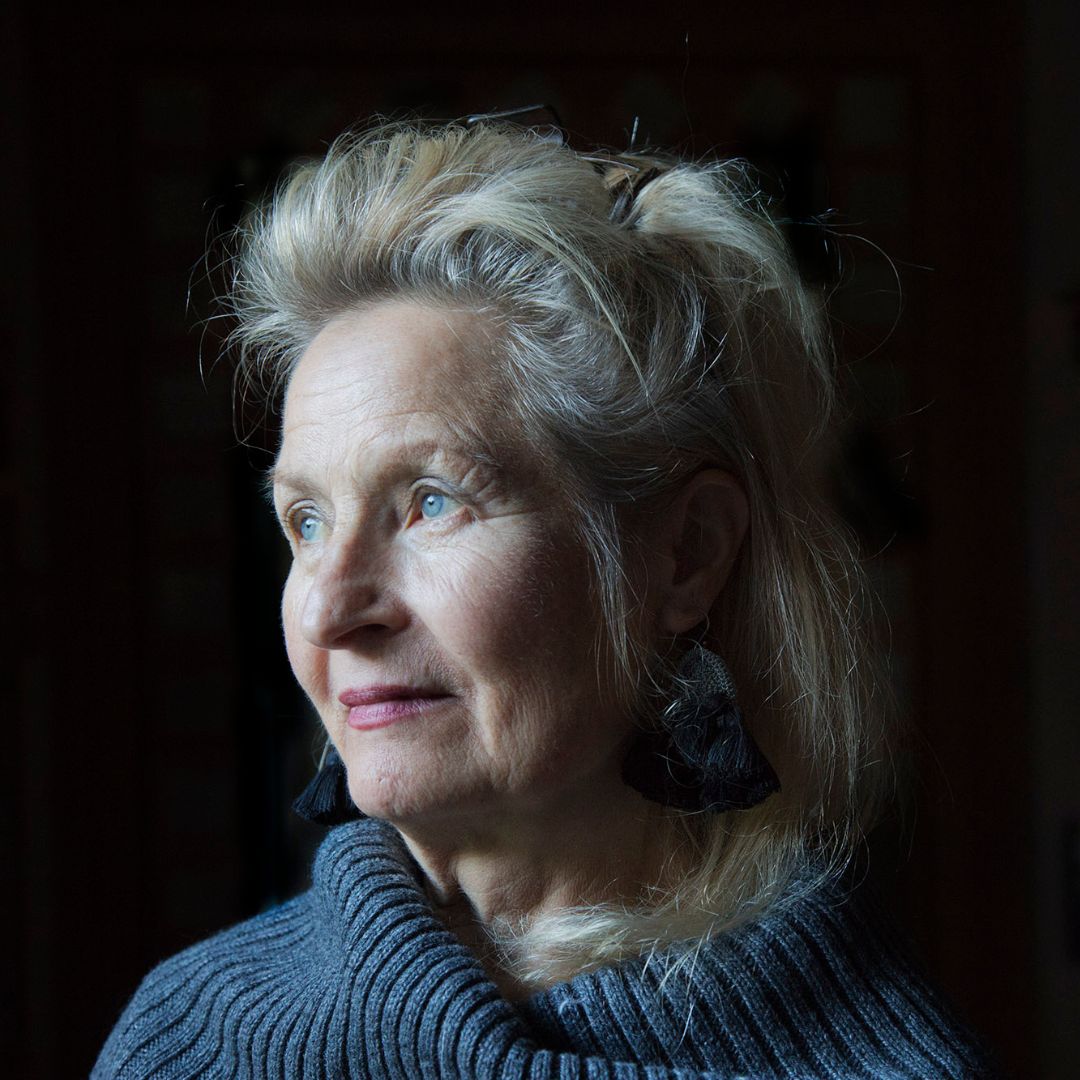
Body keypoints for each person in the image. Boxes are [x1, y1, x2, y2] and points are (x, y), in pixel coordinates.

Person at [94, 119, 996, 1079]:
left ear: (685, 555)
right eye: (306, 521)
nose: (329, 612)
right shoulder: (194, 1040)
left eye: (431, 503)